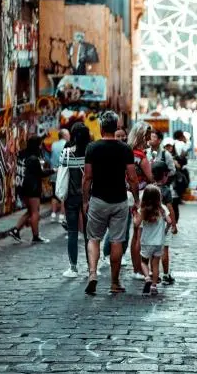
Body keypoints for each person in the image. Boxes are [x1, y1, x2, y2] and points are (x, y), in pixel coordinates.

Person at [82, 111, 139, 295]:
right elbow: (132, 178)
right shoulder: (125, 149)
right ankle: (114, 282)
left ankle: (92, 274)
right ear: (116, 128)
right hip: (119, 200)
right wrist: (136, 200)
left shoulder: (92, 148)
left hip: (98, 199)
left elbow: (87, 177)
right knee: (117, 241)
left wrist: (85, 200)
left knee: (93, 239)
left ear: (100, 128)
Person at [118, 122, 153, 281]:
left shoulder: (127, 152)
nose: (149, 139)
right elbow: (151, 178)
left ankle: (136, 268)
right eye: (147, 136)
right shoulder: (141, 156)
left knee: (133, 234)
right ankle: (139, 269)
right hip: (139, 196)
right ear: (142, 136)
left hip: (126, 194)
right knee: (139, 234)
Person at [9, 136, 52, 243]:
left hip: (22, 187)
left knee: (30, 211)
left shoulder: (22, 154)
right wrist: (53, 170)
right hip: (32, 189)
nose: (41, 146)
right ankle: (36, 236)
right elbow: (40, 173)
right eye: (40, 144)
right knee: (35, 212)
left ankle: (15, 230)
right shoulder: (33, 159)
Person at [61, 123, 90, 278]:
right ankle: (91, 267)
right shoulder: (92, 152)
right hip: (89, 197)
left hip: (71, 197)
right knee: (89, 234)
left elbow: (62, 170)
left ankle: (73, 268)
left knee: (72, 232)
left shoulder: (66, 153)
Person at [135, 184, 170, 296]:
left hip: (146, 242)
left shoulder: (143, 210)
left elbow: (136, 224)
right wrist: (165, 230)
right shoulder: (163, 209)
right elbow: (169, 221)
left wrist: (136, 215)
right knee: (155, 264)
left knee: (143, 262)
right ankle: (154, 285)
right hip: (159, 242)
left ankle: (147, 278)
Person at [151, 161, 176, 285]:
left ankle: (153, 273)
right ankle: (166, 274)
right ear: (165, 175)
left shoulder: (150, 189)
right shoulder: (166, 190)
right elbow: (170, 209)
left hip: (151, 225)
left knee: (152, 250)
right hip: (164, 226)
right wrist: (174, 224)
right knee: (165, 249)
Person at [49, 129, 70, 225]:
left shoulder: (53, 145)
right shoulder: (68, 145)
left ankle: (53, 215)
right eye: (68, 134)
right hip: (63, 173)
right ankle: (62, 216)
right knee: (64, 195)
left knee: (54, 194)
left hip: (54, 173)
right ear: (65, 136)